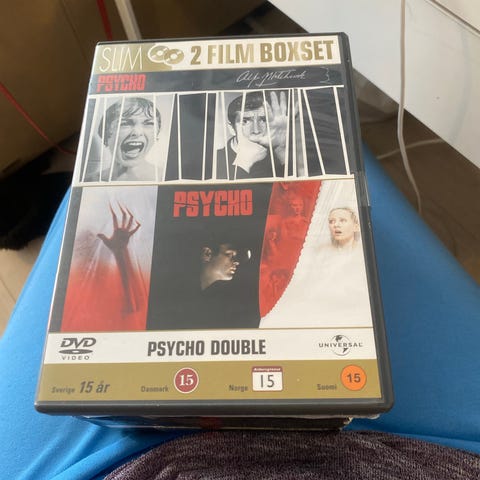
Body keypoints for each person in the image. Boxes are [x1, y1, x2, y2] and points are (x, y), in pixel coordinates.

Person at [216, 91, 288, 180]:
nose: (256, 130)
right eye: (245, 121)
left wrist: (281, 150)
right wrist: (243, 163)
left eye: (263, 120)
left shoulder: (279, 157)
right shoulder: (212, 161)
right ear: (232, 128)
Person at [87, 97, 161, 181]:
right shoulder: (89, 180)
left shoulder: (164, 178)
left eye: (149, 123)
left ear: (155, 137)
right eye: (125, 123)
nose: (137, 132)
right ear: (105, 136)